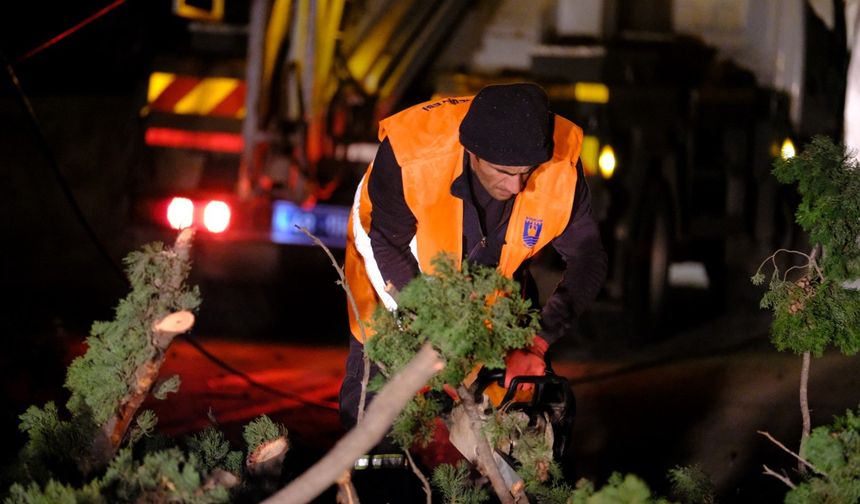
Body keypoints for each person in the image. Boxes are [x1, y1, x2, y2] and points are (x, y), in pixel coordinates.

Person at [339, 82, 607, 429]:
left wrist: (536, 343)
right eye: (505, 173)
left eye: (527, 171)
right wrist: (440, 342)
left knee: (518, 429)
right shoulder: (410, 155)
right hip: (394, 284)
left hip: (489, 296)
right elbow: (387, 244)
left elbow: (588, 257)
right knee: (379, 432)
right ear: (473, 153)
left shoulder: (557, 162)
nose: (517, 187)